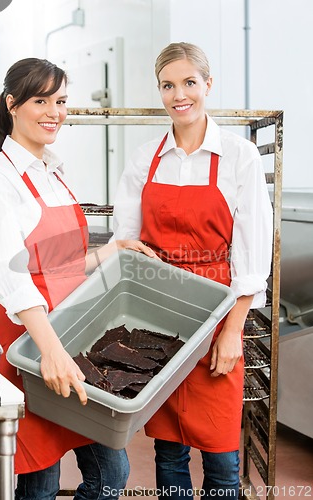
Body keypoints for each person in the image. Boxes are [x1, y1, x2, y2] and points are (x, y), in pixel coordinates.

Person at [0, 57, 155, 500]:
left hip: (72, 337)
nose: (54, 111)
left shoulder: (53, 171)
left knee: (112, 471)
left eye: (61, 101)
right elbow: (11, 276)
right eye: (41, 100)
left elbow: (54, 262)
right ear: (12, 104)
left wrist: (110, 252)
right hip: (30, 345)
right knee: (41, 478)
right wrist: (50, 352)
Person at [112, 42, 273, 499]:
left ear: (207, 85)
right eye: (167, 85)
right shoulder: (146, 158)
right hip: (159, 312)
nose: (178, 95)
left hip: (218, 310)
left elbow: (251, 258)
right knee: (169, 448)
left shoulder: (239, 156)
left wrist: (231, 332)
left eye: (188, 83)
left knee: (222, 452)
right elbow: (129, 242)